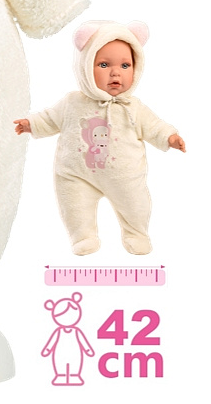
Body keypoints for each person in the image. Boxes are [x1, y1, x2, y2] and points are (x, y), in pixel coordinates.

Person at [15, 20, 185, 255]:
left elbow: (154, 126)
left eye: (125, 65)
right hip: (76, 174)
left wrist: (169, 137)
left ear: (136, 68)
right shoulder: (72, 103)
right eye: (104, 64)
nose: (116, 72)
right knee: (74, 206)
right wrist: (31, 124)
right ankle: (82, 236)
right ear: (85, 66)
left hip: (125, 177)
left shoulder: (133, 107)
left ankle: (136, 233)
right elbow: (49, 118)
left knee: (136, 205)